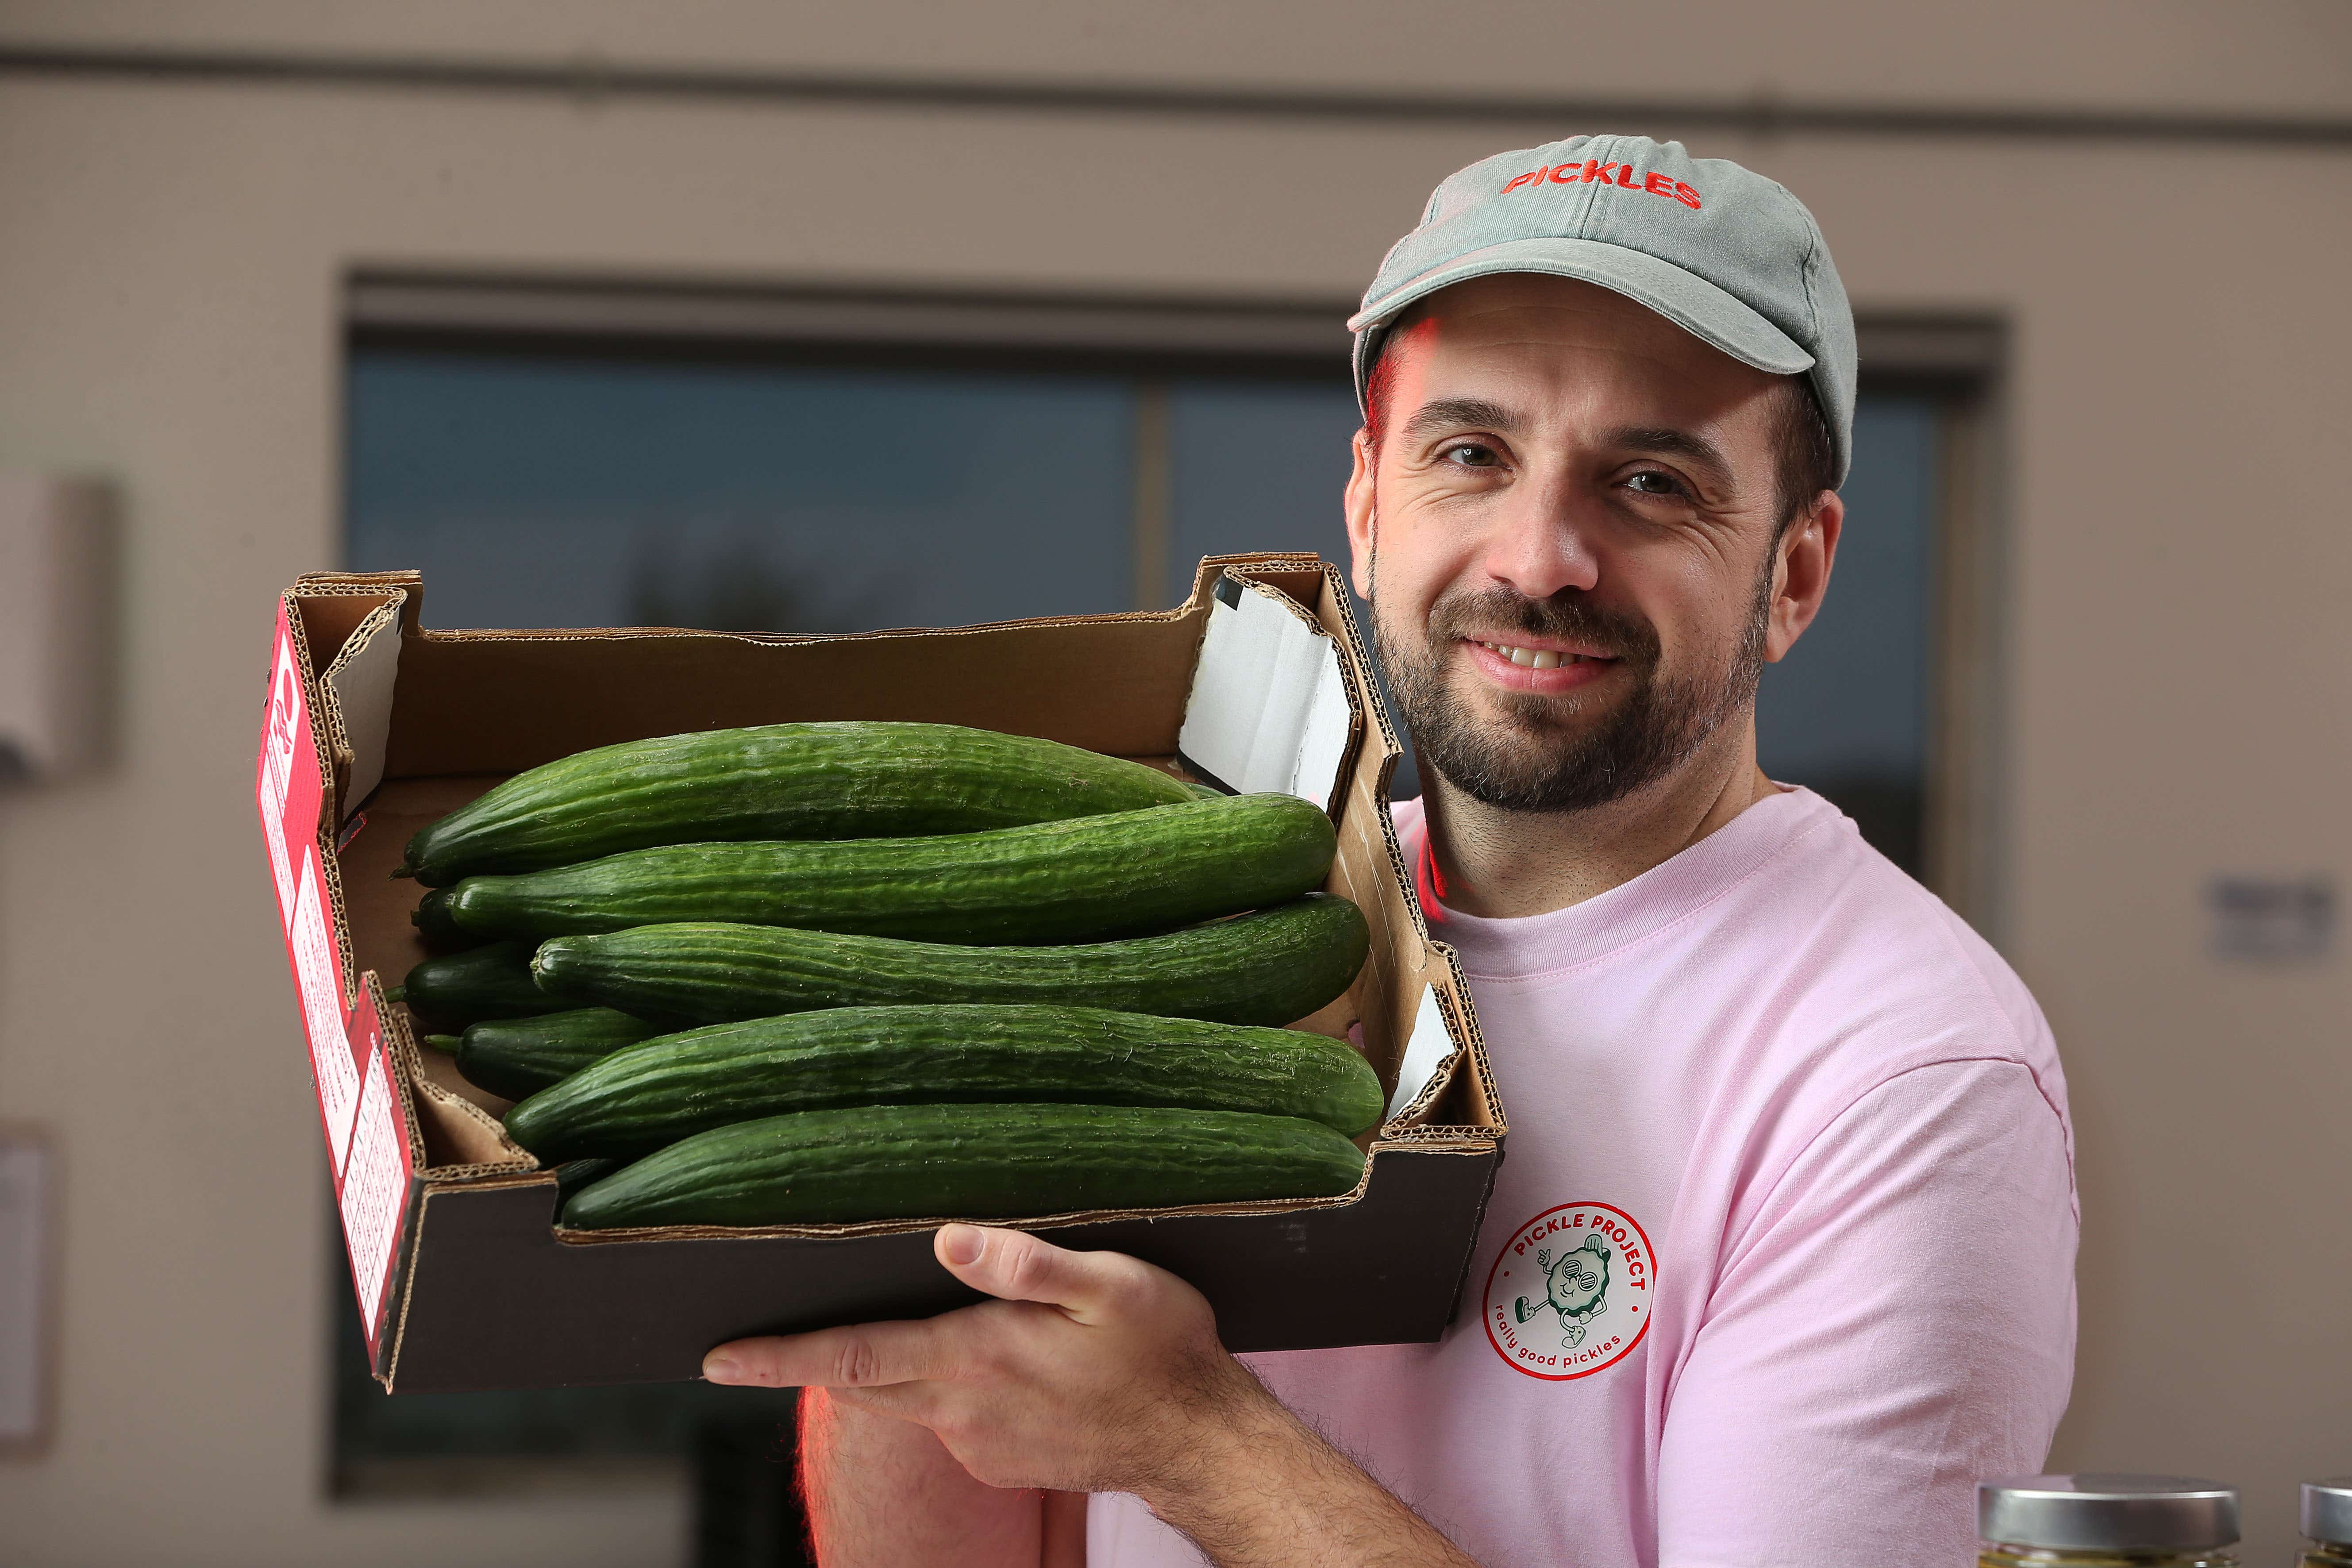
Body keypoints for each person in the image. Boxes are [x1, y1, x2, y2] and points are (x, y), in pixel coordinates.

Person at [700, 133, 2079, 1567]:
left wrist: (1190, 1440)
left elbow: (1155, 1436)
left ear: (1792, 571)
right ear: (1368, 505)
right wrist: (881, 1237)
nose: (1539, 556)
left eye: (1653, 482)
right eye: (1470, 455)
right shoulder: (1205, 933)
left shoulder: (1901, 1074)